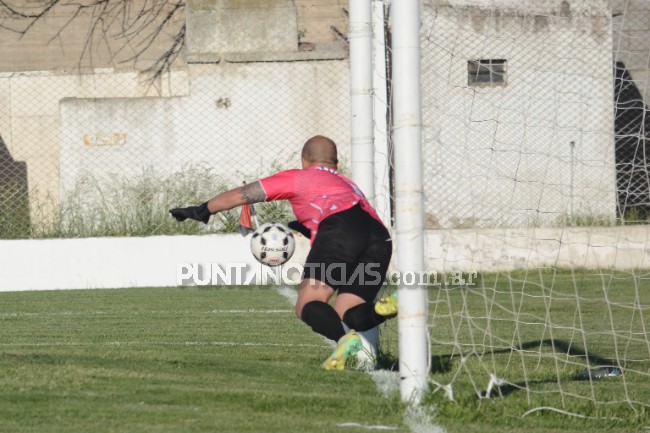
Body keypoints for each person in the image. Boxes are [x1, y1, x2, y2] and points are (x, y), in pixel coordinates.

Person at [170, 135, 398, 370]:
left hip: (340, 228)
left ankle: (344, 340)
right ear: (336, 163)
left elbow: (242, 194)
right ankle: (380, 309)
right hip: (380, 238)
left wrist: (202, 209)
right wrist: (307, 228)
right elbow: (354, 223)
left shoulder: (300, 178)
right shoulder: (347, 183)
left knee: (307, 304)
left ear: (304, 159)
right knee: (344, 313)